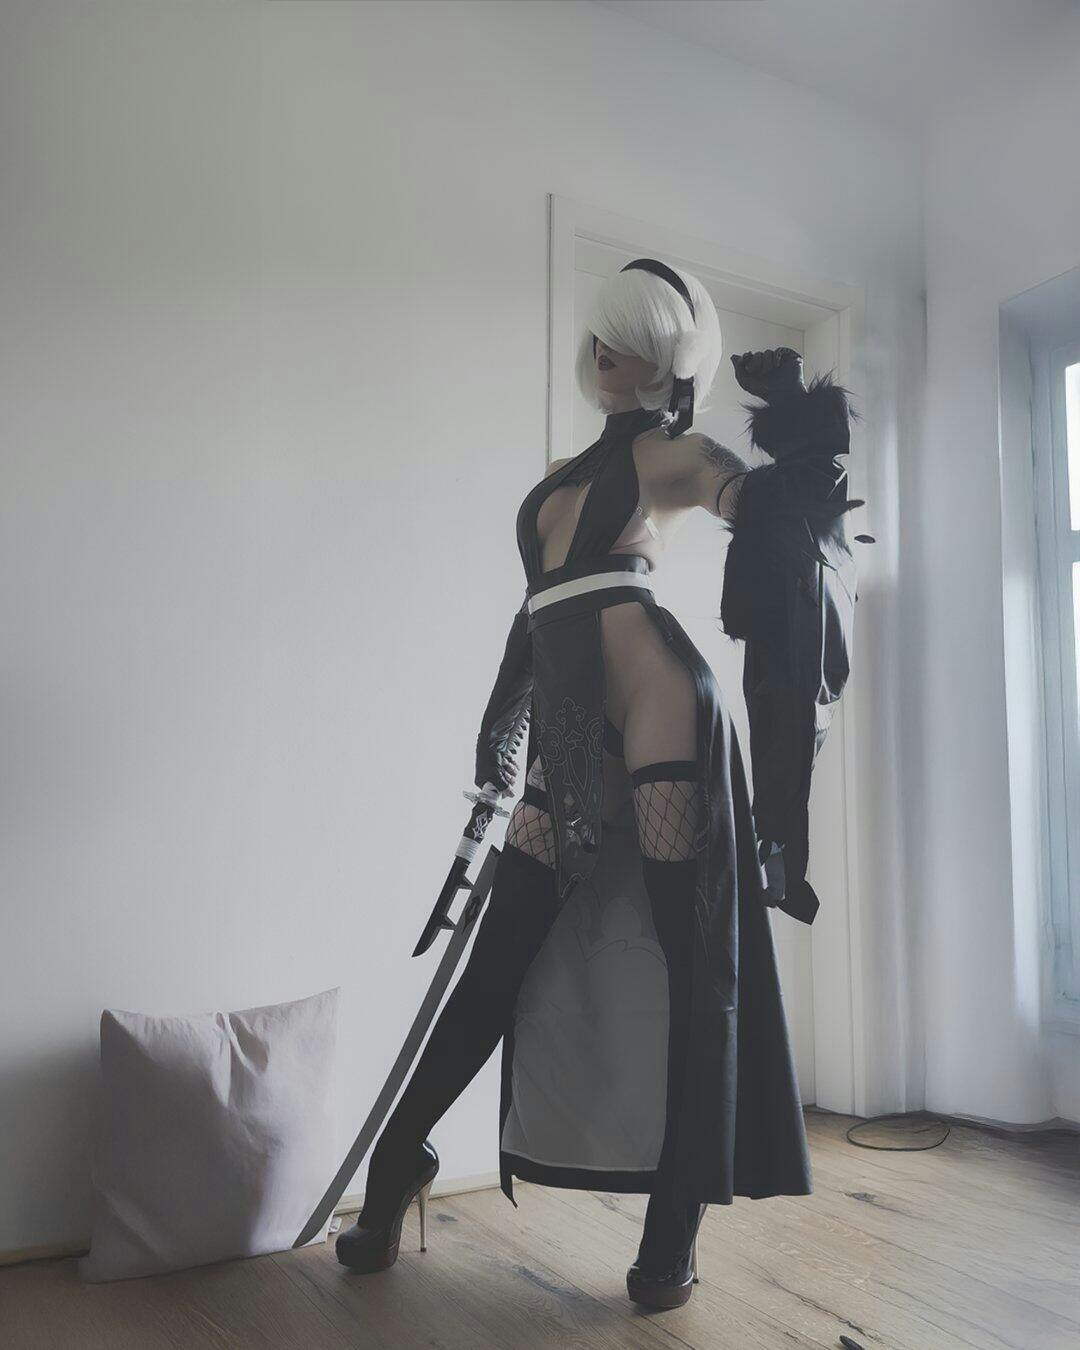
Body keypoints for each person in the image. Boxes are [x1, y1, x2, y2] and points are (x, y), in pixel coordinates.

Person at [336, 259, 860, 1311]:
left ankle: (677, 1211)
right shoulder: (562, 472)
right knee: (501, 954)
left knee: (690, 955)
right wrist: (500, 736)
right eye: (605, 334)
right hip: (570, 719)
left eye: (635, 337)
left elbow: (773, 512)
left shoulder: (676, 455)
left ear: (668, 353)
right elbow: (536, 616)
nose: (610, 351)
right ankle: (398, 1165)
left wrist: (798, 434)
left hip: (658, 692)